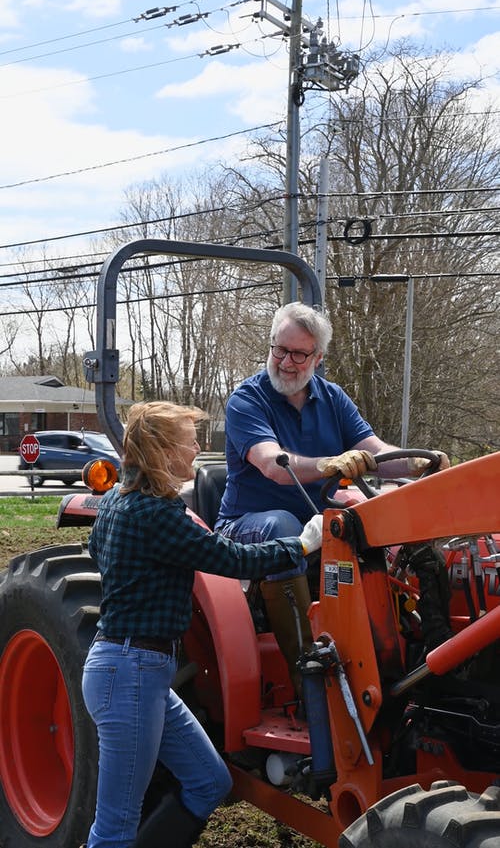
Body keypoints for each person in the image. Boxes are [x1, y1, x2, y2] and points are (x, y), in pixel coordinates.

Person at [80, 400, 323, 848]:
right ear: (163, 450)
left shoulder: (116, 501)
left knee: (210, 781)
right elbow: (230, 559)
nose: (197, 448)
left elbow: (97, 551)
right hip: (130, 671)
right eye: (189, 440)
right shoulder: (156, 513)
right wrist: (302, 546)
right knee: (114, 829)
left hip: (139, 672)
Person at [214, 301, 450, 692]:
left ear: (318, 357)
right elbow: (273, 463)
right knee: (284, 526)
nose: (286, 362)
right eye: (279, 349)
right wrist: (329, 464)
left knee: (385, 526)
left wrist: (414, 464)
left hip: (321, 527)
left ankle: (407, 657)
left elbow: (374, 453)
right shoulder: (247, 400)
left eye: (299, 354)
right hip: (246, 527)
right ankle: (307, 685)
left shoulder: (332, 398)